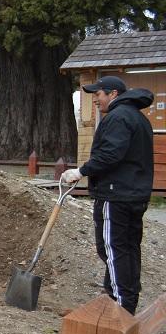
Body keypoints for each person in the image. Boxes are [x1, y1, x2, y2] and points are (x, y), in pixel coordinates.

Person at [62, 75, 154, 314]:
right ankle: (125, 298)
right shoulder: (139, 118)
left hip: (115, 195)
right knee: (128, 248)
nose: (95, 100)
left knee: (112, 249)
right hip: (134, 194)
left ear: (113, 94)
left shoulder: (117, 117)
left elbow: (111, 155)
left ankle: (120, 307)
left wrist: (80, 171)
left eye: (98, 94)